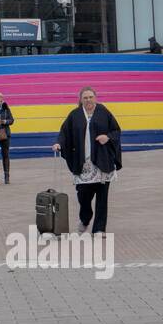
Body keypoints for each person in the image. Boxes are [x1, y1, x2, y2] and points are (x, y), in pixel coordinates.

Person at [53, 87, 122, 234]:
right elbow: (64, 132)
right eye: (85, 98)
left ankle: (99, 229)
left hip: (102, 162)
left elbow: (116, 131)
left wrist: (107, 137)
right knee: (83, 195)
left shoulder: (104, 112)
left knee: (102, 198)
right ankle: (85, 217)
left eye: (91, 97)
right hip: (83, 164)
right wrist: (59, 143)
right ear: (80, 100)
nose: (88, 100)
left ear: (95, 98)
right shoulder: (75, 115)